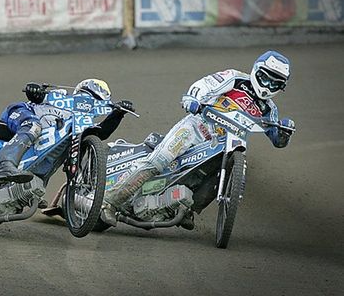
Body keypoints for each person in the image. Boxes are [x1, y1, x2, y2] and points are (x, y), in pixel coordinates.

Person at [101, 51, 296, 228]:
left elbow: (277, 140)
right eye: (265, 78)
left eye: (275, 83)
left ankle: (188, 209)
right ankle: (109, 203)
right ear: (256, 70)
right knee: (158, 162)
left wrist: (285, 132)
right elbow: (205, 84)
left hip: (225, 144)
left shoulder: (270, 110)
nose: (268, 86)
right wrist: (192, 98)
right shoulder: (236, 79)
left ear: (282, 86)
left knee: (222, 172)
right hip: (196, 128)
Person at [0, 78, 135, 184]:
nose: (88, 103)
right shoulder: (62, 95)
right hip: (22, 112)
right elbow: (38, 96)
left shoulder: (81, 124)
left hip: (38, 145)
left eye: (97, 101)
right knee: (33, 125)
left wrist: (117, 114)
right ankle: (5, 164)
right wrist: (35, 92)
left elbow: (100, 133)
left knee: (69, 146)